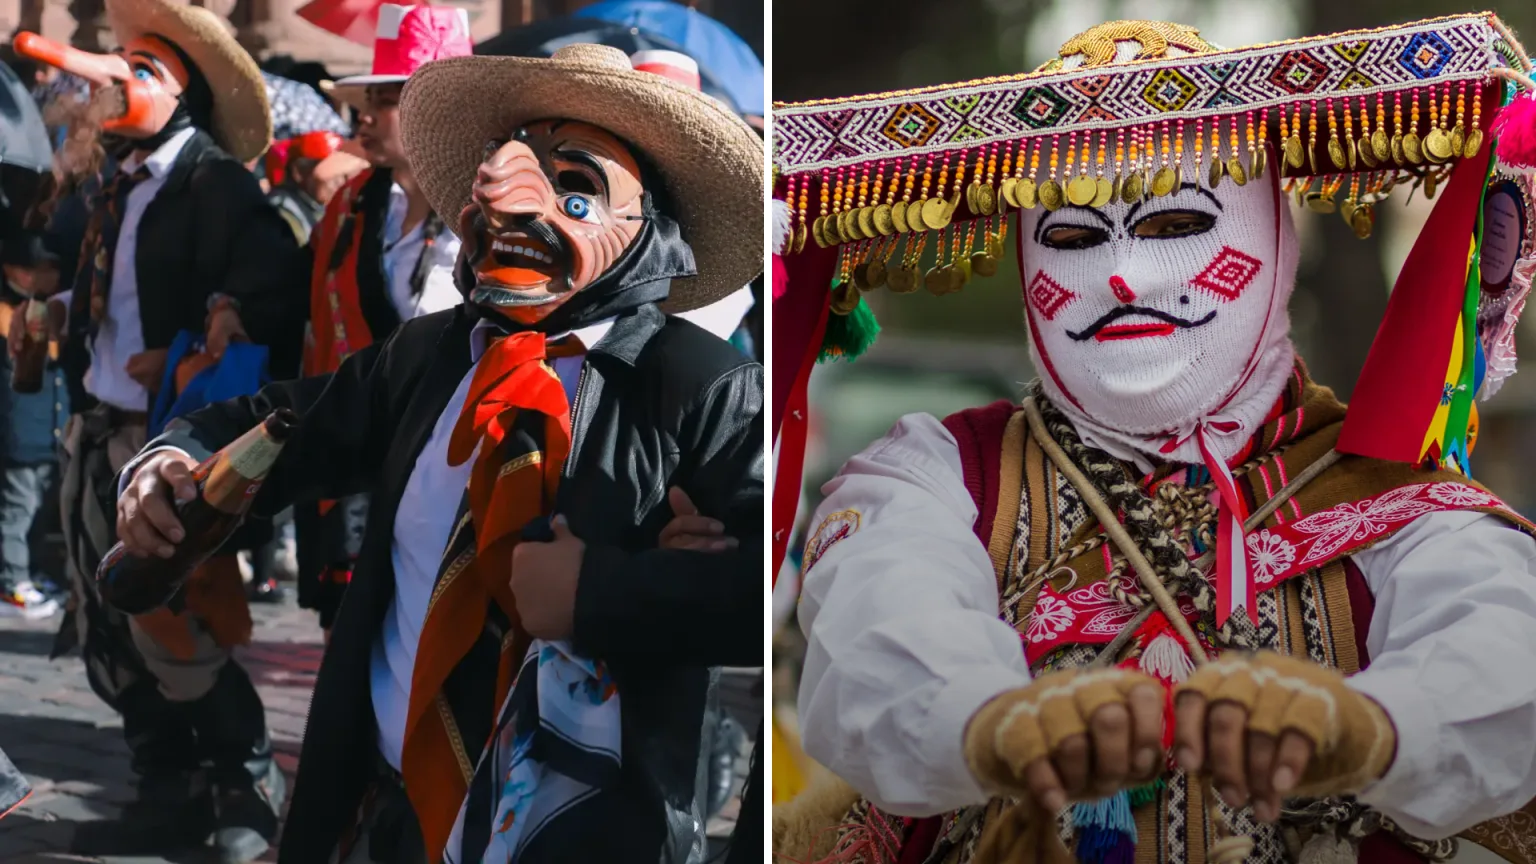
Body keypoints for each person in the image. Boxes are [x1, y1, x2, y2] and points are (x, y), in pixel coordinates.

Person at [771, 14, 1536, 864]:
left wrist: (1364, 731)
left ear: (1275, 246)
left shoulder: (1399, 500)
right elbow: (881, 635)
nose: (1124, 275)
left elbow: (1502, 649)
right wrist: (993, 726)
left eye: (1176, 226)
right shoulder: (938, 475)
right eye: (1072, 238)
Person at [115, 41, 763, 864]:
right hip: (390, 814)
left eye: (575, 189)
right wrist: (168, 462)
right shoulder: (427, 355)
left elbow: (767, 595)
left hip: (579, 836)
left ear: (648, 236)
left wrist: (605, 591)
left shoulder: (704, 387)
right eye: (509, 166)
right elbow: (279, 423)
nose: (513, 206)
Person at [11, 2, 303, 859]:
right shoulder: (112, 179)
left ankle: (245, 787)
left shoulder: (214, 181)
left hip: (166, 441)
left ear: (184, 96)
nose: (119, 81)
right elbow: (92, 276)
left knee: (179, 627)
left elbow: (263, 284)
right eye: (122, 63)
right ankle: (164, 786)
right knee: (110, 628)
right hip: (97, 428)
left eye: (145, 71)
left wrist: (206, 327)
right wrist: (59, 307)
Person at [290, 3, 471, 640]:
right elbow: (294, 305)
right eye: (368, 95)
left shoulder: (494, 219)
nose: (364, 112)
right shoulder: (355, 203)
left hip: (449, 479)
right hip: (354, 463)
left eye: (387, 96)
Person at [265, 129, 346, 245]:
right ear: (299, 171)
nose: (340, 181)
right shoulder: (280, 214)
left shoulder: (316, 207)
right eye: (330, 171)